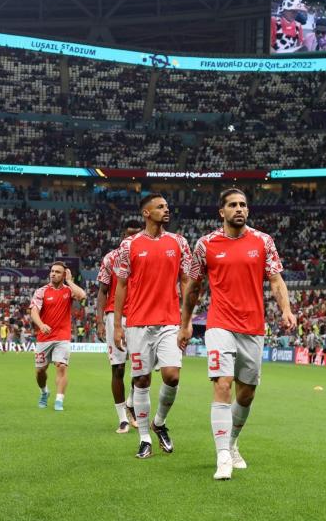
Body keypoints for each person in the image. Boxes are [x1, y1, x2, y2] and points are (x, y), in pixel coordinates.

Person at [180, 188, 296, 480]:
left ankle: (231, 443)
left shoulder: (263, 241)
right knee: (223, 383)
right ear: (222, 212)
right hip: (220, 324)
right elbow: (194, 288)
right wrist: (185, 322)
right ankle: (222, 456)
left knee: (246, 393)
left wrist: (286, 309)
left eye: (243, 204)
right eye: (233, 205)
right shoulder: (205, 245)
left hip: (253, 326)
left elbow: (276, 280)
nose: (239, 209)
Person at [113, 194, 193, 459]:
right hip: (137, 323)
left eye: (167, 206)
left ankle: (159, 422)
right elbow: (121, 285)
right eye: (160, 207)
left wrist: (187, 321)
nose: (166, 209)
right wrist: (117, 325)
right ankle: (145, 438)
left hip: (170, 321)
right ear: (146, 213)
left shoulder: (179, 242)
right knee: (142, 380)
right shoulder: (129, 245)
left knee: (172, 375)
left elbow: (186, 282)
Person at [96, 219, 143, 433]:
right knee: (118, 368)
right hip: (114, 316)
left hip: (140, 315)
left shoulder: (147, 255)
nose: (131, 238)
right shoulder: (111, 258)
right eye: (128, 234)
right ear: (123, 236)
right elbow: (102, 291)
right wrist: (98, 321)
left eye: (136, 234)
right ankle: (123, 417)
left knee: (142, 368)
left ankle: (131, 403)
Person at [31, 262, 86, 411]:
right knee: (40, 370)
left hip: (62, 336)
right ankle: (44, 392)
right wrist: (41, 324)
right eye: (52, 271)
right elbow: (34, 311)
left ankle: (59, 400)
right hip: (44, 337)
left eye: (57, 272)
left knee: (61, 366)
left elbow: (82, 296)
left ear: (64, 275)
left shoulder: (69, 290)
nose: (53, 274)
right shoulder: (41, 291)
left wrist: (70, 281)